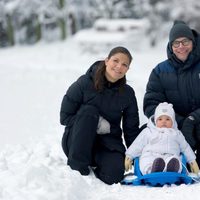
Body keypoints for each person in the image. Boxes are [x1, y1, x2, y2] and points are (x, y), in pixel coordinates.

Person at [60, 46, 140, 185]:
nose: (119, 66)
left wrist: (138, 158)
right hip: (77, 142)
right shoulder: (84, 83)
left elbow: (130, 130)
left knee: (114, 175)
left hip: (107, 142)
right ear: (106, 61)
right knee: (89, 111)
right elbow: (65, 117)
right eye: (115, 60)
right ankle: (78, 167)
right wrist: (95, 122)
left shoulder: (127, 93)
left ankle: (99, 164)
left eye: (124, 64)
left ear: (127, 69)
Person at [143, 20, 200, 166]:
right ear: (171, 46)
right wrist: (177, 121)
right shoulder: (160, 71)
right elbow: (151, 105)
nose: (181, 46)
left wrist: (193, 119)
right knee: (146, 134)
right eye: (176, 43)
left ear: (193, 42)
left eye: (185, 41)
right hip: (173, 127)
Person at [125, 102, 200, 176]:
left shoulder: (177, 134)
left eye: (167, 119)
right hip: (151, 154)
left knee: (176, 160)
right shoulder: (148, 131)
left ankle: (172, 169)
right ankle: (152, 170)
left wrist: (192, 161)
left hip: (170, 155)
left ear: (173, 121)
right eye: (160, 119)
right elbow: (138, 144)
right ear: (155, 121)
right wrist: (129, 155)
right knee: (146, 160)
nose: (164, 121)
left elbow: (185, 148)